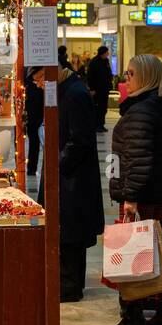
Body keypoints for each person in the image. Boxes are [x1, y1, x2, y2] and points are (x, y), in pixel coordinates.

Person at [103, 53, 162, 325]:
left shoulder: (141, 111)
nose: (125, 79)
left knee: (133, 255)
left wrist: (131, 196)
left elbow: (139, 159)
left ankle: (132, 315)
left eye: (130, 74)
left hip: (144, 194)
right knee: (157, 254)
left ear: (146, 77)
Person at [35, 67, 102, 301]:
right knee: (67, 231)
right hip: (67, 175)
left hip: (72, 179)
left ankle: (69, 286)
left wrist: (58, 164)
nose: (38, 85)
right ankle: (69, 283)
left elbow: (81, 140)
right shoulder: (67, 91)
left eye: (39, 79)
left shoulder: (74, 94)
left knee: (71, 233)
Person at [85, 45, 113, 133]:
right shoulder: (94, 62)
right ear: (103, 53)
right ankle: (96, 125)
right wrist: (92, 89)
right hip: (97, 90)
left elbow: (108, 72)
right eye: (106, 52)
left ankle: (101, 124)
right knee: (97, 108)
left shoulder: (106, 61)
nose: (108, 54)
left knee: (104, 108)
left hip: (104, 89)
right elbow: (90, 76)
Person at [24, 67, 43, 177]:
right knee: (33, 141)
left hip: (36, 113)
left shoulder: (30, 71)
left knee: (34, 141)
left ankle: (31, 168)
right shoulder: (25, 71)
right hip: (30, 112)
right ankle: (30, 168)